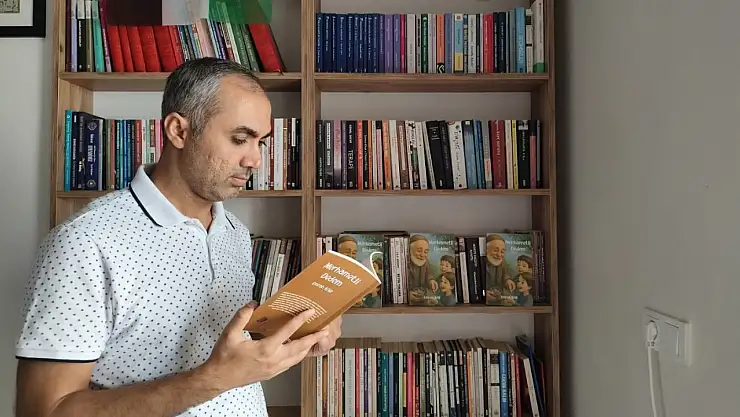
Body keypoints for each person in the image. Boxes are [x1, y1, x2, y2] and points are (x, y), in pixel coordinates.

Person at [13, 57, 342, 417]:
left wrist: (296, 333)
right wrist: (213, 379)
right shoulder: (85, 243)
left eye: (260, 143)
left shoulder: (233, 232)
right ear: (178, 131)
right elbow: (45, 410)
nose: (255, 160)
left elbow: (223, 349)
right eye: (239, 139)